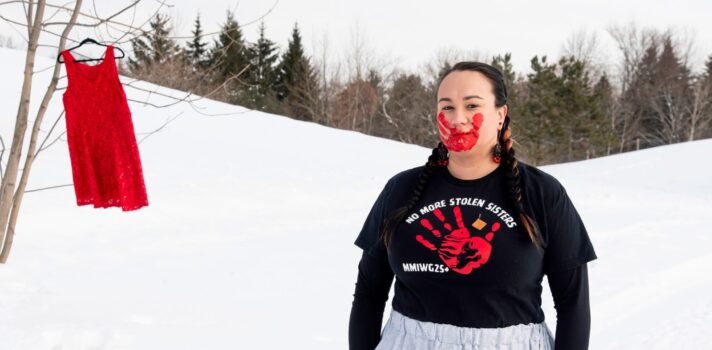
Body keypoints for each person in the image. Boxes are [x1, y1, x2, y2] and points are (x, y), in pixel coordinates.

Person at [348, 62, 597, 350]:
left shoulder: (543, 193)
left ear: (500, 114)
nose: (458, 118)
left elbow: (573, 305)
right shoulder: (400, 189)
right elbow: (369, 292)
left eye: (472, 105)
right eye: (447, 107)